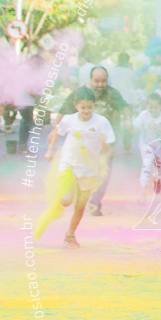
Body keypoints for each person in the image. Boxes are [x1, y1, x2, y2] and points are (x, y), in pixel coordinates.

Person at [38, 88, 113, 248]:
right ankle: (58, 201)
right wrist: (50, 150)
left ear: (94, 106)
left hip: (89, 169)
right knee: (66, 201)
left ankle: (70, 234)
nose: (86, 111)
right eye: (83, 107)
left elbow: (106, 150)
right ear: (76, 105)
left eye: (90, 107)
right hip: (69, 163)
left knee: (80, 206)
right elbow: (57, 132)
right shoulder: (68, 119)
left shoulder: (102, 122)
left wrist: (103, 142)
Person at [53, 66, 130, 216]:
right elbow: (64, 111)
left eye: (103, 81)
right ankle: (73, 195)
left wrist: (128, 120)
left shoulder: (112, 93)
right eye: (97, 81)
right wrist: (53, 130)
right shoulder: (80, 93)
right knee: (80, 170)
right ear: (90, 80)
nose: (100, 85)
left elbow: (125, 108)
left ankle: (95, 203)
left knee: (103, 171)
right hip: (83, 144)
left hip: (106, 141)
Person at [132, 93, 161, 194]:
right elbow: (134, 128)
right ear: (147, 106)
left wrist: (156, 127)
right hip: (146, 143)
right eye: (151, 107)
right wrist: (129, 124)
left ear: (160, 107)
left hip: (159, 146)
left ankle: (157, 179)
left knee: (158, 167)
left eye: (156, 108)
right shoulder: (143, 115)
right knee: (147, 163)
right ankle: (143, 189)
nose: (153, 110)